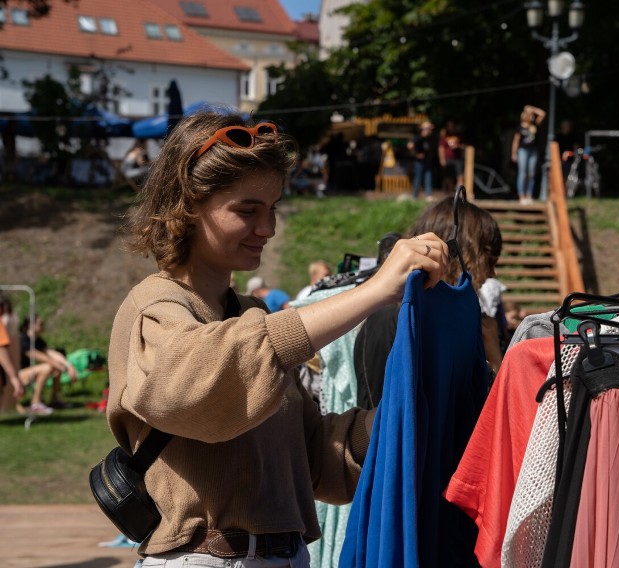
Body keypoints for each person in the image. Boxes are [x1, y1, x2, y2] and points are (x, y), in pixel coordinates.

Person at [107, 110, 449, 565]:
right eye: (247, 210)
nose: (267, 229)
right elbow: (198, 384)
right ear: (186, 204)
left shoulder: (251, 313)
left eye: (271, 210)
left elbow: (312, 461)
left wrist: (403, 408)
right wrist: (371, 292)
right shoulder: (154, 307)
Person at [354, 195, 506, 409]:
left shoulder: (468, 323)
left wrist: (494, 359)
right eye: (489, 259)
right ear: (461, 254)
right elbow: (376, 418)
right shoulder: (389, 320)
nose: (492, 273)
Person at [17, 316, 78, 414]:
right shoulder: (23, 339)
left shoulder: (38, 340)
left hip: (26, 372)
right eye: (40, 324)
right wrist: (63, 368)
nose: (43, 326)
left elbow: (51, 353)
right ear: (30, 326)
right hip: (16, 376)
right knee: (47, 367)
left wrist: (69, 365)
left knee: (55, 368)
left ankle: (54, 400)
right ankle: (35, 403)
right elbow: (42, 357)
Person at [511, 105, 546, 204]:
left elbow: (543, 114)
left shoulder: (535, 125)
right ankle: (522, 196)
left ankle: (529, 195)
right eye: (529, 115)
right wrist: (514, 153)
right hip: (522, 151)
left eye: (532, 115)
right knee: (523, 173)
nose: (531, 116)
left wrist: (532, 109)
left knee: (531, 174)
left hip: (533, 151)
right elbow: (515, 141)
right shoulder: (520, 127)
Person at [407, 121, 437, 200]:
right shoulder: (418, 138)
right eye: (427, 129)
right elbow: (409, 146)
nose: (429, 131)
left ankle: (428, 195)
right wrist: (415, 155)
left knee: (428, 177)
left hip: (427, 161)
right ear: (423, 130)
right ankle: (415, 196)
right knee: (418, 178)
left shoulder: (430, 138)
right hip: (419, 162)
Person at [438, 120, 465, 191]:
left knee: (460, 176)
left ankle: (460, 193)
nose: (450, 128)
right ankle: (451, 193)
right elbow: (441, 148)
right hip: (448, 159)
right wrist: (442, 159)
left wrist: (458, 146)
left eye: (452, 126)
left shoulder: (459, 136)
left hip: (457, 158)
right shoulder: (444, 137)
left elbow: (464, 146)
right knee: (449, 177)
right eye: (449, 126)